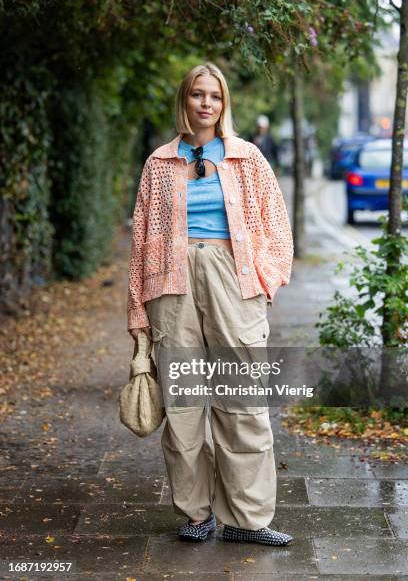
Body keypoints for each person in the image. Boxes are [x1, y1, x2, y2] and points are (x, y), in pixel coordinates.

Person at [127, 62, 294, 546]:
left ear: (224, 104)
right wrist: (138, 310)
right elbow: (141, 239)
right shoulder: (159, 163)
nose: (206, 103)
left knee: (243, 404)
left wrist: (265, 280)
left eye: (214, 96)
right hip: (171, 286)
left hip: (233, 281)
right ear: (185, 101)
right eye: (198, 94)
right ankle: (196, 513)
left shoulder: (248, 158)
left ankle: (247, 519)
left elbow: (277, 227)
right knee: (183, 408)